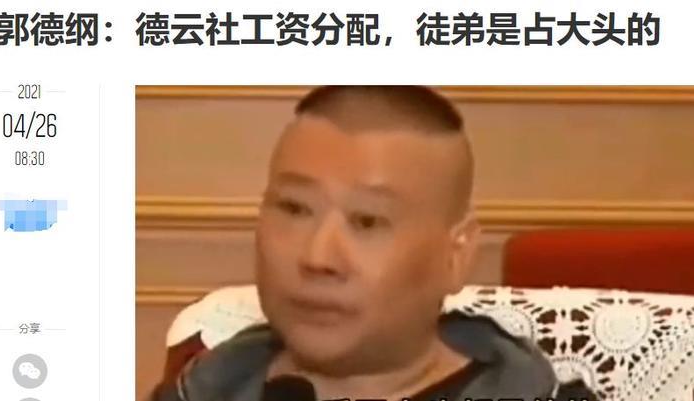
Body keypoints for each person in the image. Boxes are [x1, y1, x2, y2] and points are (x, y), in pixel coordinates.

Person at [152, 86, 597, 401]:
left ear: (455, 255)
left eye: (367, 221)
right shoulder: (204, 388)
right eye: (294, 208)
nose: (318, 257)